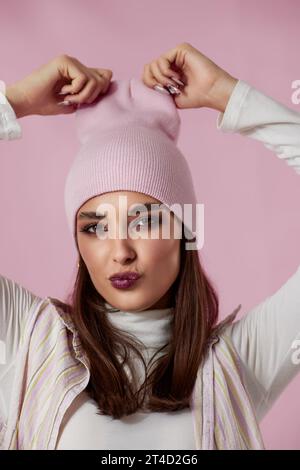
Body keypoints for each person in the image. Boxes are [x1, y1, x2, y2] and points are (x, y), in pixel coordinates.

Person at [0, 43, 299, 450]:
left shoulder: (242, 360)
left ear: (185, 232)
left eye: (145, 221)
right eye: (95, 228)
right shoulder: (27, 338)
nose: (120, 250)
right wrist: (14, 101)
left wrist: (228, 95)